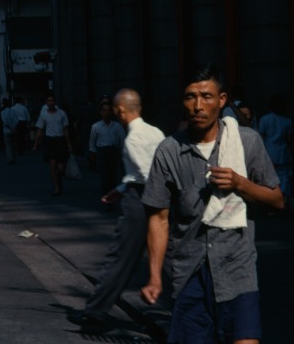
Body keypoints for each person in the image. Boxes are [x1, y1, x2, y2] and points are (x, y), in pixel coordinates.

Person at [140, 64, 283, 343]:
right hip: (189, 272)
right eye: (190, 97)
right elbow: (158, 218)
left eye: (206, 96)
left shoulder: (247, 142)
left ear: (222, 100)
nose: (197, 105)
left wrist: (240, 183)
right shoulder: (169, 151)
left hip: (237, 270)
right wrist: (155, 276)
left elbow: (277, 200)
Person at [68, 88, 166, 333]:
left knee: (121, 256)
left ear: (121, 111)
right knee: (168, 255)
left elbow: (145, 175)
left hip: (141, 201)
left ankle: (95, 311)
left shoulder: (131, 139)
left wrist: (128, 191)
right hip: (153, 198)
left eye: (114, 108)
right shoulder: (156, 132)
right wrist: (120, 188)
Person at [256, 94, 291, 212]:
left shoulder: (265, 119)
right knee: (283, 178)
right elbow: (289, 138)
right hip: (283, 153)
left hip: (269, 151)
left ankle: (270, 204)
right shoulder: (287, 121)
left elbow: (261, 135)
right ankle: (283, 200)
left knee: (269, 179)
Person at [33, 94, 73, 196]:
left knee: (60, 167)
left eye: (53, 100)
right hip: (50, 141)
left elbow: (65, 130)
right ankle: (56, 187)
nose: (51, 102)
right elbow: (40, 130)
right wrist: (35, 144)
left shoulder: (62, 113)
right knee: (52, 166)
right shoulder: (44, 115)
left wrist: (69, 144)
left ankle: (59, 180)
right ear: (46, 103)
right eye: (49, 101)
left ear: (55, 102)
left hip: (60, 140)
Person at [88, 100, 127, 200]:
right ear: (101, 112)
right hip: (102, 152)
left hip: (113, 152)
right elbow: (92, 143)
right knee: (104, 177)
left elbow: (122, 140)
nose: (106, 113)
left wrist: (122, 154)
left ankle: (112, 195)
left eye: (109, 110)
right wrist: (93, 157)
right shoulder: (96, 127)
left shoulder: (117, 126)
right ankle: (106, 196)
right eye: (104, 110)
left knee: (113, 176)